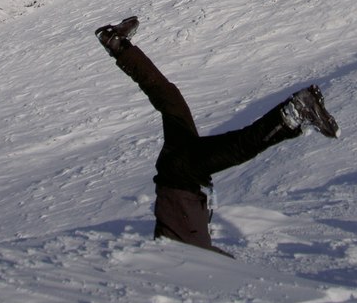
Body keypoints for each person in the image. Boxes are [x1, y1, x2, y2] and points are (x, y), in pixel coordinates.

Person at [95, 15, 340, 255]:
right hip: (177, 172)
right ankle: (116, 44)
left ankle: (295, 112)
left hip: (181, 176)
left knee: (240, 146)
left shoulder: (177, 259)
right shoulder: (193, 256)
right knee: (170, 100)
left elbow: (191, 257)